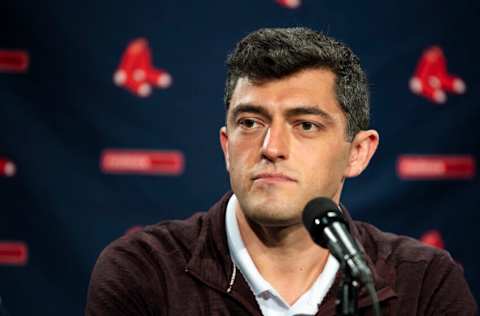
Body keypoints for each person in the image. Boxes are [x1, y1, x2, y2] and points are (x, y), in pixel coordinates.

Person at [85, 27, 477, 315]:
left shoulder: (424, 283)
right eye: (251, 123)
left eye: (305, 125)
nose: (271, 148)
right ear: (226, 145)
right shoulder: (145, 272)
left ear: (358, 153)